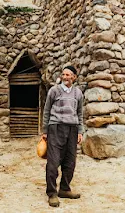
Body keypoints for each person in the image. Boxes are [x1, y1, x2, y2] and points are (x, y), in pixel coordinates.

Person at [41, 66, 84, 207]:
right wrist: (45, 131)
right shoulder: (54, 91)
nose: (65, 77)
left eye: (68, 75)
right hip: (55, 127)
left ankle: (65, 189)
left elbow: (80, 114)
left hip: (72, 129)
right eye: (63, 74)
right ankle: (52, 193)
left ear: (74, 78)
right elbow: (46, 110)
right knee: (53, 162)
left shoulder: (78, 93)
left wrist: (80, 131)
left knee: (70, 161)